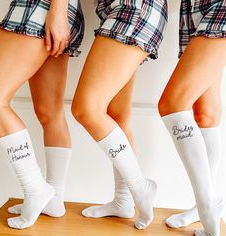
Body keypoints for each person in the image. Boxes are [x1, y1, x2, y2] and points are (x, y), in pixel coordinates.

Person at [71, 0, 168, 229]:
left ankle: (140, 188)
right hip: (125, 9)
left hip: (133, 7)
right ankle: (123, 201)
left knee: (86, 109)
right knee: (117, 115)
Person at [0, 0, 84, 229]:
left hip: (41, 7)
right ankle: (54, 198)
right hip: (58, 10)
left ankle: (36, 188)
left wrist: (58, 11)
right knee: (49, 111)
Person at [158, 0, 226, 235]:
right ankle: (204, 204)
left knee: (172, 104)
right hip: (194, 6)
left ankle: (207, 203)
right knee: (205, 113)